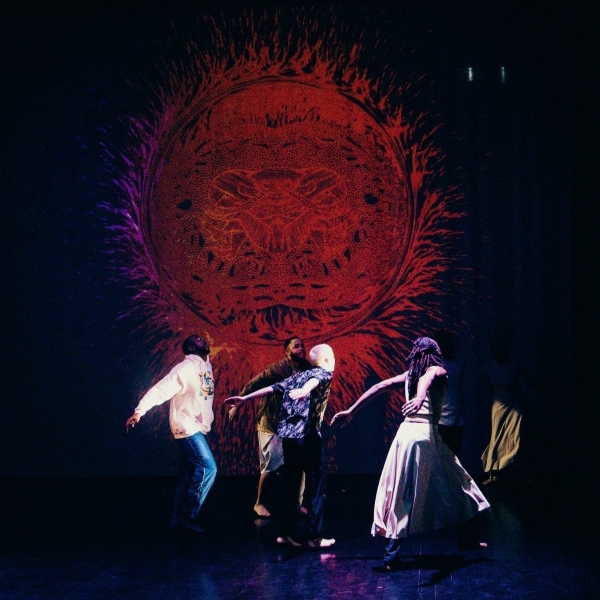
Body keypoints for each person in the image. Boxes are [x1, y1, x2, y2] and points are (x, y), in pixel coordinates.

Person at [331, 337, 489, 571]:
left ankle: (391, 555)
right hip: (425, 437)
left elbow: (379, 387)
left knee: (400, 493)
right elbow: (427, 378)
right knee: (461, 485)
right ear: (435, 353)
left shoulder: (409, 376)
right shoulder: (436, 369)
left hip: (404, 437)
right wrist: (420, 396)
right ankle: (469, 538)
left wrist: (352, 410)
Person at [225, 344, 335, 548]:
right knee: (316, 486)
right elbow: (316, 380)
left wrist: (246, 399)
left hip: (290, 439)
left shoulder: (301, 374)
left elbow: (275, 387)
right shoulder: (323, 374)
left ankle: (285, 534)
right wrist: (305, 390)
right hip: (308, 438)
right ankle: (314, 538)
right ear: (328, 360)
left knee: (291, 486)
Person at [126, 335, 217, 535]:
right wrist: (140, 411)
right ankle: (189, 515)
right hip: (187, 427)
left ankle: (176, 520)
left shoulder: (206, 367)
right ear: (191, 347)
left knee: (186, 476)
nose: (204, 340)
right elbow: (160, 390)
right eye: (199, 339)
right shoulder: (183, 369)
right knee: (208, 467)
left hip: (199, 426)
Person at [229, 337, 311, 518]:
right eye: (296, 346)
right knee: (271, 465)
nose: (301, 349)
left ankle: (297, 504)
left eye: (302, 345)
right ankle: (259, 503)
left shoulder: (307, 368)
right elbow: (254, 384)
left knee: (300, 466)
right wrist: (237, 405)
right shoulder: (277, 369)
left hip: (292, 424)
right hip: (271, 422)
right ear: (287, 351)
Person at [480, 335, 527, 485]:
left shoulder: (513, 365)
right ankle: (493, 472)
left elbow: (528, 380)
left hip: (514, 404)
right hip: (499, 405)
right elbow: (487, 387)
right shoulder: (489, 367)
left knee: (514, 436)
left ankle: (511, 471)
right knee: (496, 436)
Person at [433, 329, 466, 455]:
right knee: (441, 455)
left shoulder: (460, 363)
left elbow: (460, 388)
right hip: (440, 418)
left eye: (447, 341)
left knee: (454, 455)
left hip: (457, 416)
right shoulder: (434, 365)